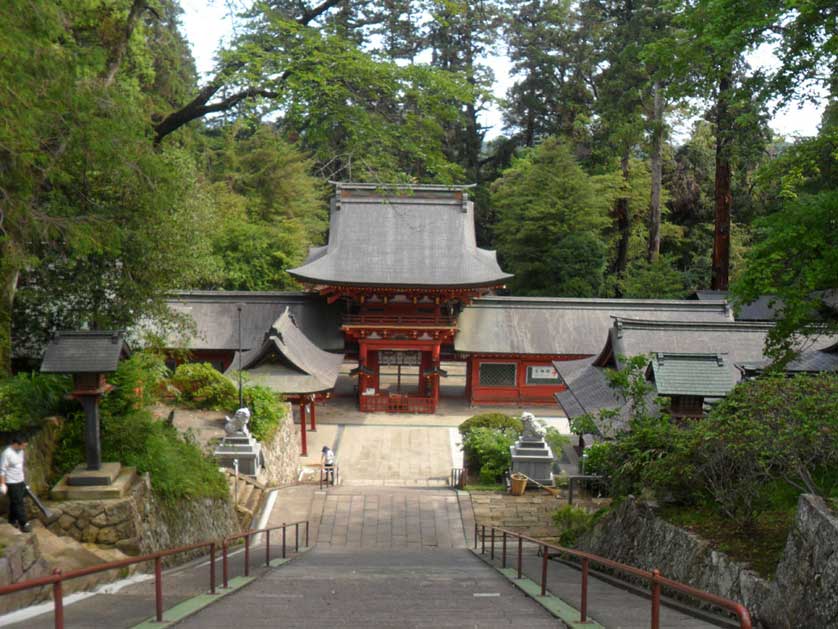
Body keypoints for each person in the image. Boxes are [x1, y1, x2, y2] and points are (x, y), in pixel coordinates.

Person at [1, 434, 31, 532]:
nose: (24, 448)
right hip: (11, 482)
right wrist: (2, 484)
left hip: (20, 481)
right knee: (18, 503)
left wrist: (23, 481)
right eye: (23, 446)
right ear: (16, 444)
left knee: (16, 501)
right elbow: (2, 470)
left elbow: (19, 467)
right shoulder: (6, 454)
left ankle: (12, 520)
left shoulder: (20, 451)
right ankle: (24, 523)